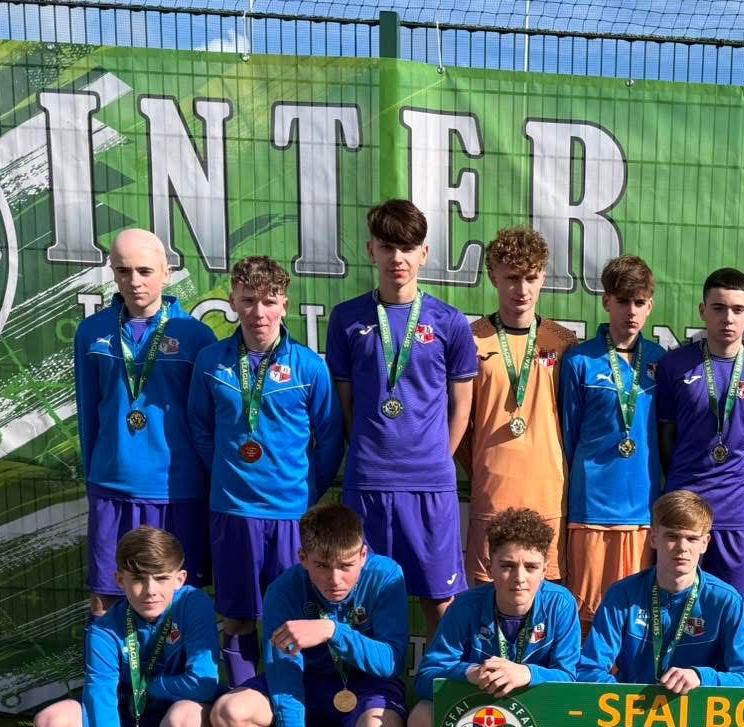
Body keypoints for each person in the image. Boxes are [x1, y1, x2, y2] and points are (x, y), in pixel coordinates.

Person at [209, 505, 409, 727]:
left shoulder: (386, 576)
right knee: (228, 716)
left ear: (363, 555)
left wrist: (333, 631)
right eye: (322, 566)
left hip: (365, 687)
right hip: (305, 686)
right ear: (303, 558)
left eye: (346, 566)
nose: (335, 580)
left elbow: (391, 662)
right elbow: (285, 685)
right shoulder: (283, 591)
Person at [325, 199, 477, 644]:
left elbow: (461, 406)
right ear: (371, 250)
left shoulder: (449, 322)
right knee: (361, 600)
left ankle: (440, 684)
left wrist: (436, 458)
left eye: (408, 248)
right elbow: (345, 405)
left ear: (424, 253)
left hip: (430, 483)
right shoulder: (346, 319)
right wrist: (372, 451)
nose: (398, 258)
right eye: (388, 247)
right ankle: (370, 686)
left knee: (440, 601)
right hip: (369, 481)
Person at [188, 255, 344, 688]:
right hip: (232, 512)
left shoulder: (309, 366)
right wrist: (227, 474)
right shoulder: (211, 361)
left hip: (290, 515)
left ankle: (287, 709)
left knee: (289, 620)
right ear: (233, 303)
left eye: (269, 301)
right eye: (248, 300)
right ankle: (244, 705)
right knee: (237, 617)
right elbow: (199, 428)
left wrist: (305, 493)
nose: (259, 312)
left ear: (284, 305)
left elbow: (330, 438)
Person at [31, 527, 231, 727]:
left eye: (161, 578)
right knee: (50, 726)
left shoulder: (193, 604)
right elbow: (101, 713)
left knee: (185, 722)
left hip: (176, 714)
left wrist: (150, 688)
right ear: (119, 579)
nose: (150, 591)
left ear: (179, 579)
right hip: (130, 718)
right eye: (138, 579)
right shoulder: (103, 631)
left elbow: (203, 683)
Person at [74, 228, 217, 616]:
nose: (134, 281)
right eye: (123, 271)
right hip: (112, 487)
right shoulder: (92, 332)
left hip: (177, 489)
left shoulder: (196, 336)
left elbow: (206, 421)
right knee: (106, 599)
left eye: (144, 271)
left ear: (166, 273)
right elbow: (89, 415)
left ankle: (180, 662)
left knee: (180, 600)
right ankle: (108, 662)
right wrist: (97, 474)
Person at [407, 509, 580, 727]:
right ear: (489, 568)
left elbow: (569, 678)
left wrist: (527, 673)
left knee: (575, 720)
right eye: (507, 566)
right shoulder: (465, 606)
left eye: (531, 567)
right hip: (476, 707)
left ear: (545, 570)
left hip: (536, 707)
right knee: (422, 719)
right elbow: (426, 678)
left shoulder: (561, 604)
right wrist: (470, 673)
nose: (519, 578)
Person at [461, 226, 579, 584]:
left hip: (548, 493)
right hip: (492, 493)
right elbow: (458, 422)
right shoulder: (471, 339)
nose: (522, 289)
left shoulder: (563, 342)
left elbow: (575, 423)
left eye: (531, 277)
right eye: (512, 278)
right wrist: (482, 465)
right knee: (487, 595)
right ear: (493, 276)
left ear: (543, 277)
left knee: (546, 595)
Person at [656, 268, 744, 598]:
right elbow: (666, 435)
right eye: (719, 308)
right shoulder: (674, 365)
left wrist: (732, 474)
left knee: (731, 604)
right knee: (676, 602)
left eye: (738, 310)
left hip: (735, 509)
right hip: (684, 503)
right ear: (703, 311)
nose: (728, 318)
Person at [559, 255, 667, 635]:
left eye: (639, 302)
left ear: (650, 305)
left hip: (642, 508)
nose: (631, 312)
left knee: (633, 616)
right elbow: (569, 436)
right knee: (587, 612)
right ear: (606, 301)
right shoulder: (579, 361)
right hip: (591, 507)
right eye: (622, 301)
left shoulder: (661, 363)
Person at [579, 490, 744, 689]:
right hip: (633, 706)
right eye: (672, 536)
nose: (682, 547)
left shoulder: (725, 600)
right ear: (653, 538)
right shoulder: (623, 595)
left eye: (692, 539)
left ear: (705, 543)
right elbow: (588, 670)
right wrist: (629, 699)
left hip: (697, 706)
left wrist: (701, 677)